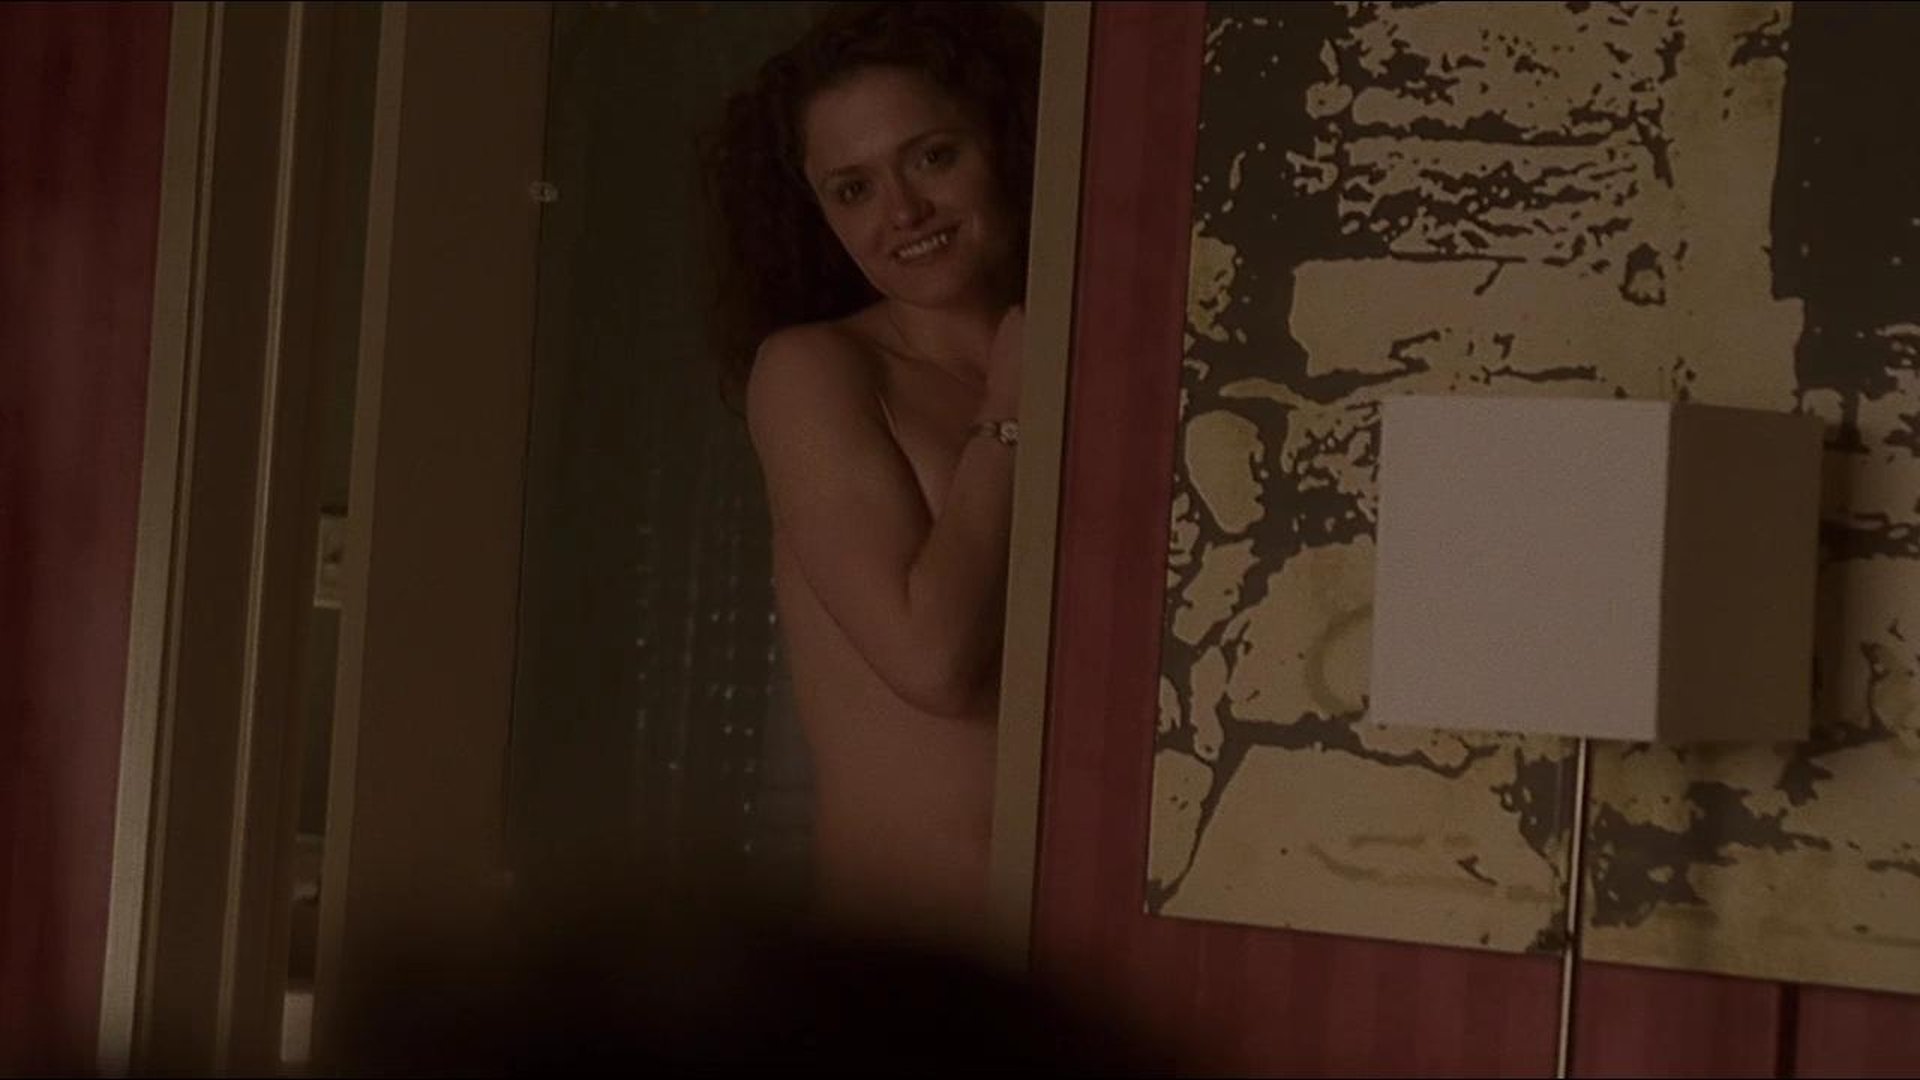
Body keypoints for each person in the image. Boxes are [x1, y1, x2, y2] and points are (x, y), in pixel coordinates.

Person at [703, 1, 1040, 953]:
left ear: (1008, 145)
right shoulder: (814, 372)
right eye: (852, 188)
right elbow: (931, 661)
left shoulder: (1106, 363)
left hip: (1101, 946)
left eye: (933, 157)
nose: (902, 213)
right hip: (910, 968)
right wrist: (1014, 410)